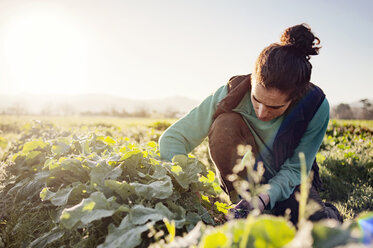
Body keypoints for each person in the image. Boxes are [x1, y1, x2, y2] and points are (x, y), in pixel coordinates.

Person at [158, 23, 341, 224]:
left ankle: (329, 213)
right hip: (247, 178)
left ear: (295, 98)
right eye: (256, 100)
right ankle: (239, 205)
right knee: (224, 123)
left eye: (274, 107)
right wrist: (189, 188)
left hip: (288, 180)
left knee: (314, 228)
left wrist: (264, 198)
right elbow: (173, 138)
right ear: (252, 80)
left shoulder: (315, 106)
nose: (261, 112)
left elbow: (296, 169)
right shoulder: (231, 93)